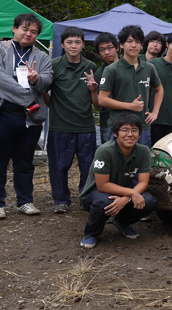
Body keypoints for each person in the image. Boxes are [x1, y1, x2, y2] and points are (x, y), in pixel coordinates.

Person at [0, 13, 53, 219]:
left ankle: (25, 201)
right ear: (14, 29)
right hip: (1, 115)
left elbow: (48, 80)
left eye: (33, 31)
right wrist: (29, 97)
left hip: (29, 119)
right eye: (24, 29)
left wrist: (36, 79)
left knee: (24, 162)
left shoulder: (41, 57)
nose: (28, 33)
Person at [79, 113, 157, 248]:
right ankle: (91, 233)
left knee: (149, 201)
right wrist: (131, 194)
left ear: (139, 134)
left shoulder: (143, 151)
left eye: (134, 130)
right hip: (95, 194)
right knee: (104, 201)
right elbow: (102, 185)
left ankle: (122, 222)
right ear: (115, 133)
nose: (130, 134)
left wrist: (126, 198)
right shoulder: (105, 150)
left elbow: (143, 182)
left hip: (122, 193)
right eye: (125, 130)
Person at [45, 26, 99, 214]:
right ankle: (60, 199)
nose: (73, 46)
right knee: (59, 166)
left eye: (77, 42)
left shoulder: (91, 67)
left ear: (83, 44)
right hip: (60, 126)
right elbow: (46, 92)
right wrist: (56, 108)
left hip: (86, 126)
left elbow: (97, 104)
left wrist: (93, 90)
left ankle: (85, 198)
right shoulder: (54, 65)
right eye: (69, 42)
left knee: (87, 166)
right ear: (62, 44)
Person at [99, 25, 163, 147]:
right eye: (129, 41)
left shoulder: (149, 68)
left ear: (142, 45)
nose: (134, 45)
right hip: (118, 127)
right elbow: (102, 99)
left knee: (140, 164)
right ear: (121, 45)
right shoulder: (111, 69)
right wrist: (130, 106)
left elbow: (159, 89)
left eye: (137, 42)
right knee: (115, 164)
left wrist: (155, 112)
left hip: (141, 127)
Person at [94, 32, 121, 144]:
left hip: (132, 119)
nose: (106, 52)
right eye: (102, 49)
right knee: (109, 156)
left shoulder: (130, 65)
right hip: (108, 121)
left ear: (118, 47)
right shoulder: (99, 73)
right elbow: (98, 106)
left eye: (110, 48)